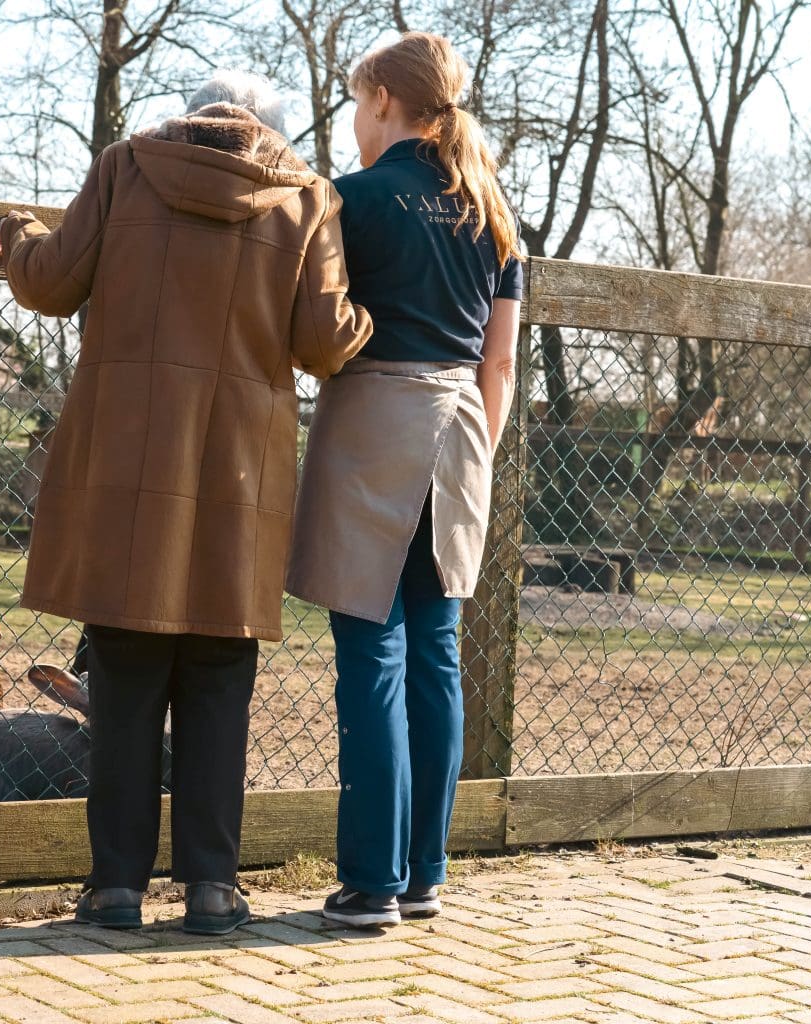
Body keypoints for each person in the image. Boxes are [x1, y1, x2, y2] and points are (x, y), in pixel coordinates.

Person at [0, 70, 372, 935]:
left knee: (123, 682)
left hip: (129, 465)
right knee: (218, 681)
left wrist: (16, 233)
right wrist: (367, 318)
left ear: (193, 115)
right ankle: (213, 888)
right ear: (267, 130)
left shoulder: (126, 168)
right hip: (239, 475)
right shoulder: (307, 199)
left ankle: (115, 891)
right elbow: (324, 344)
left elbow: (50, 283)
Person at [286, 32, 523, 929]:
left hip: (377, 422)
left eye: (356, 101)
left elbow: (318, 325)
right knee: (437, 652)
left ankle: (370, 884)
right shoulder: (492, 211)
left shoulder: (349, 201)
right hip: (464, 428)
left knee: (373, 654)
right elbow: (498, 362)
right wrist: (477, 450)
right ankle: (426, 875)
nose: (352, 119)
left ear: (383, 97)